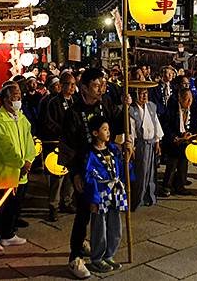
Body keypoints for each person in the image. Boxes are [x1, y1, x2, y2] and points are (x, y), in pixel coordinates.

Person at [60, 68, 131, 279]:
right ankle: (75, 257)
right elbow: (68, 146)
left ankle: (105, 253)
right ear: (84, 88)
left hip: (106, 169)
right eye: (96, 85)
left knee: (108, 212)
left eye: (102, 84)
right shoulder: (73, 112)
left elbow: (117, 125)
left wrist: (126, 108)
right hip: (85, 170)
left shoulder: (105, 103)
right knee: (83, 213)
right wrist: (75, 174)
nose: (101, 88)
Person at [0, 83, 36, 257]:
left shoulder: (22, 118)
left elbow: (30, 141)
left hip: (22, 173)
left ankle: (8, 234)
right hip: (6, 173)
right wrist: (21, 163)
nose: (18, 99)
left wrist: (29, 160)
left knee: (14, 207)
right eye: (14, 96)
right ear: (4, 100)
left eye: (19, 95)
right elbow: (4, 148)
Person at [83, 116, 126, 273]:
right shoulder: (91, 154)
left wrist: (126, 154)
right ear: (95, 133)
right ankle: (97, 258)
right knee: (99, 227)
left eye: (108, 129)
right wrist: (93, 199)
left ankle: (110, 254)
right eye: (104, 129)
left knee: (115, 225)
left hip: (115, 192)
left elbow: (122, 167)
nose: (108, 132)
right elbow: (89, 177)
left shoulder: (113, 149)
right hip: (100, 194)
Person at [42, 72, 76, 222]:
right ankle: (53, 206)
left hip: (71, 144)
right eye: (69, 84)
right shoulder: (53, 102)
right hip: (58, 143)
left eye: (74, 84)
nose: (72, 87)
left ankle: (66, 201)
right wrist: (63, 131)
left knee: (70, 175)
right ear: (62, 85)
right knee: (58, 177)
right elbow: (49, 122)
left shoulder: (75, 101)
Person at [161, 88, 197, 196]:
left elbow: (196, 123)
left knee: (183, 163)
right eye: (186, 99)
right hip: (175, 140)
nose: (189, 102)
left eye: (190, 99)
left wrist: (191, 134)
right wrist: (175, 137)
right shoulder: (172, 109)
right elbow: (166, 125)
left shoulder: (193, 109)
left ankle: (180, 185)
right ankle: (166, 186)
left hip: (187, 139)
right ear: (180, 99)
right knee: (172, 164)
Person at [129, 86, 163, 209]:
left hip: (152, 143)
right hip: (140, 144)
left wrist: (158, 141)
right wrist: (131, 147)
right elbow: (131, 130)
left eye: (146, 93)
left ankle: (150, 197)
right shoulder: (132, 110)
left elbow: (156, 124)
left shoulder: (151, 106)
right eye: (141, 94)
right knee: (141, 172)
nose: (144, 96)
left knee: (151, 172)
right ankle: (138, 199)